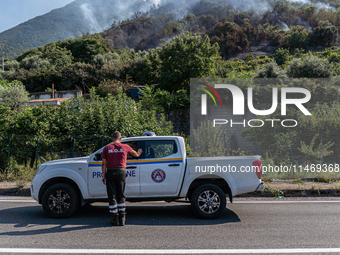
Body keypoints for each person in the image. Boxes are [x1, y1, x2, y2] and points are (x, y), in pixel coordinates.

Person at [101, 131, 142, 226]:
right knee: (121, 194)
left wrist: (104, 175)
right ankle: (122, 218)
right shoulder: (126, 147)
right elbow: (135, 154)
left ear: (112, 138)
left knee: (112, 196)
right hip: (121, 172)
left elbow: (103, 163)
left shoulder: (106, 148)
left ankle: (115, 218)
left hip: (110, 172)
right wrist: (138, 153)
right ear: (120, 138)